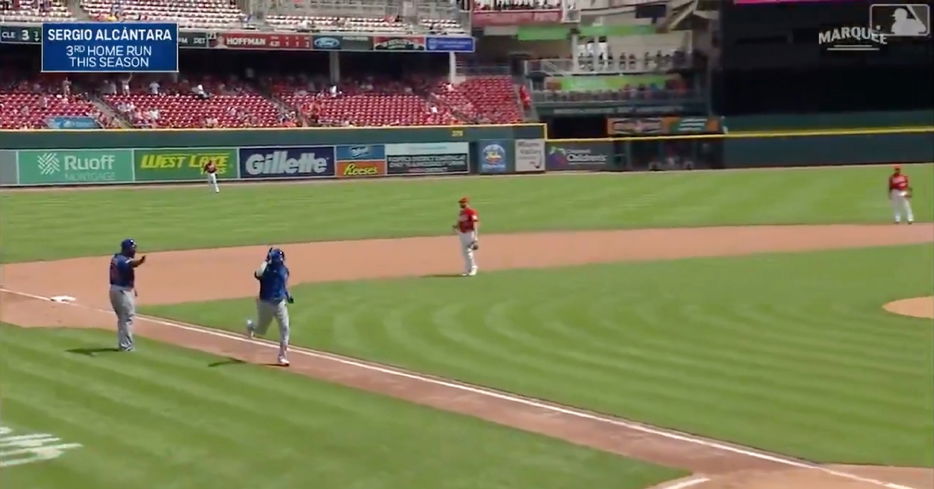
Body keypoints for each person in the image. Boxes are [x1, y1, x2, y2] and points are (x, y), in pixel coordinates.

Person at [245, 248, 293, 366]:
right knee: (261, 330)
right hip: (265, 303)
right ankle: (251, 327)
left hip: (280, 303)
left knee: (285, 328)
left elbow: (283, 285)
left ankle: (282, 356)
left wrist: (288, 295)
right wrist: (265, 261)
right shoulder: (265, 270)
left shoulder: (284, 270)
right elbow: (257, 273)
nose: (281, 260)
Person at [109, 239, 147, 351]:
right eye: (132, 248)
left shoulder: (117, 257)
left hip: (117, 290)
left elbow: (127, 268)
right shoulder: (123, 261)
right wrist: (140, 261)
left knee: (123, 319)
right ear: (126, 249)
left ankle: (123, 344)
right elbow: (131, 264)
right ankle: (126, 346)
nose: (134, 250)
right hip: (122, 292)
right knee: (127, 318)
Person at [452, 197, 479, 276]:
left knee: (469, 251)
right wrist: (456, 227)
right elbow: (459, 221)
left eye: (463, 203)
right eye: (460, 203)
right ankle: (467, 269)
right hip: (462, 233)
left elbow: (475, 224)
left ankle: (474, 267)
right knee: (464, 252)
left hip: (470, 233)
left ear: (467, 203)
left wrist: (476, 237)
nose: (461, 204)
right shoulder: (461, 212)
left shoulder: (472, 212)